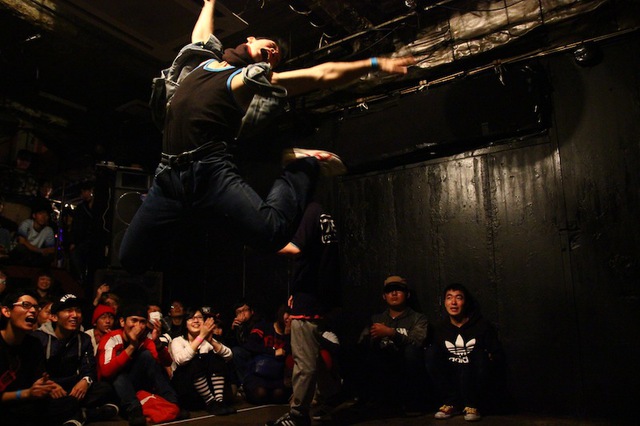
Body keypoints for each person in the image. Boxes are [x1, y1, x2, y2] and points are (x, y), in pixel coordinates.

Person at [118, 0, 414, 273]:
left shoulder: (244, 81)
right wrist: (209, 3)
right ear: (250, 39)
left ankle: (300, 167)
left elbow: (320, 75)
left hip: (208, 171)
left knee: (272, 233)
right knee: (129, 258)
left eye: (276, 57)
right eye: (271, 46)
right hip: (168, 177)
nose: (273, 53)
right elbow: (201, 35)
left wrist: (373, 64)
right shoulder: (198, 64)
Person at [267, 202, 342, 426]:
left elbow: (295, 248)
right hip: (320, 299)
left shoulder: (309, 212)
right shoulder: (323, 213)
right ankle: (330, 395)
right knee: (313, 355)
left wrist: (264, 244)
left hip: (308, 302)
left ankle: (298, 415)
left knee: (304, 362)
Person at [31, 294, 119, 423]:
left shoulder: (84, 339)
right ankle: (85, 414)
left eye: (78, 311)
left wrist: (85, 381)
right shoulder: (38, 338)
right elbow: (33, 370)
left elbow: (89, 368)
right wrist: (49, 385)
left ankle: (71, 411)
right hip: (50, 389)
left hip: (73, 388)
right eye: (68, 310)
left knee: (105, 388)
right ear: (54, 317)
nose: (75, 315)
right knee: (37, 402)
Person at [0, 289, 82, 425]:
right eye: (26, 305)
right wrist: (26, 393)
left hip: (25, 404)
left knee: (69, 401)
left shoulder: (34, 344)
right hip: (9, 403)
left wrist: (45, 385)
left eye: (36, 307)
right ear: (6, 311)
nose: (33, 310)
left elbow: (37, 379)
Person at [96, 303, 185, 426]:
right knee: (119, 369)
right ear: (122, 322)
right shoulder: (111, 338)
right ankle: (134, 410)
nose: (138, 326)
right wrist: (132, 346)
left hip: (133, 385)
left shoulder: (145, 340)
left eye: (142, 322)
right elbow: (106, 371)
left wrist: (157, 342)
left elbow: (167, 362)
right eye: (134, 320)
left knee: (146, 356)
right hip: (111, 389)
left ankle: (172, 402)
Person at [426, 283, 503, 422]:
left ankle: (472, 405)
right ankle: (451, 403)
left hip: (474, 377)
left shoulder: (482, 326)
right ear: (444, 302)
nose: (453, 302)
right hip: (452, 376)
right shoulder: (440, 328)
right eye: (449, 297)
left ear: (465, 302)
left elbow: (496, 354)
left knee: (479, 354)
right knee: (431, 353)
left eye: (458, 298)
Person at [355, 275, 429, 415]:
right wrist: (373, 338)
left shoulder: (418, 318)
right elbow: (361, 345)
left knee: (411, 352)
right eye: (389, 290)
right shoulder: (376, 319)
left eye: (398, 290)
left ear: (407, 294)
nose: (394, 293)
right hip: (383, 367)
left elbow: (417, 342)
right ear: (384, 296)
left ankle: (413, 402)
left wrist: (392, 333)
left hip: (406, 368)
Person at [170, 308, 236, 415]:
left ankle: (219, 401)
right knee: (193, 361)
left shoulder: (209, 339)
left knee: (217, 357)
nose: (196, 320)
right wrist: (201, 336)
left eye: (199, 317)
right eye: (191, 318)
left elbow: (229, 355)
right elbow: (181, 360)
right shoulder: (177, 341)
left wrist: (211, 341)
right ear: (185, 323)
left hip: (209, 386)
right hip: (188, 388)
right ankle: (210, 402)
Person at [243, 304, 292, 406]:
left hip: (277, 374)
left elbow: (288, 353)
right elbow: (250, 345)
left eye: (292, 317)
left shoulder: (291, 334)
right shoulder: (264, 327)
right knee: (260, 394)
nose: (289, 319)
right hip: (259, 372)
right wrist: (273, 352)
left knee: (279, 395)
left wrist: (287, 335)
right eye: (287, 315)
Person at [69, 181, 104, 288]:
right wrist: (73, 241)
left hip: (96, 241)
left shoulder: (100, 206)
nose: (83, 194)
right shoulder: (81, 208)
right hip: (82, 241)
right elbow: (75, 225)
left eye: (85, 191)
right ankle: (81, 279)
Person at [10, 199, 56, 267]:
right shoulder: (26, 224)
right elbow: (21, 241)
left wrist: (45, 251)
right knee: (21, 249)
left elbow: (51, 249)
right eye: (40, 214)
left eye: (46, 215)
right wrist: (40, 251)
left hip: (35, 254)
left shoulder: (48, 230)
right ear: (34, 215)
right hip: (20, 252)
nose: (43, 217)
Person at [227, 299, 259, 389]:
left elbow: (252, 344)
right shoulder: (237, 325)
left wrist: (243, 327)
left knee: (237, 351)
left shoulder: (257, 323)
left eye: (245, 310)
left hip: (256, 353)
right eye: (239, 312)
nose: (242, 314)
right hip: (242, 355)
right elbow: (229, 345)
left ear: (252, 311)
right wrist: (233, 330)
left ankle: (246, 385)